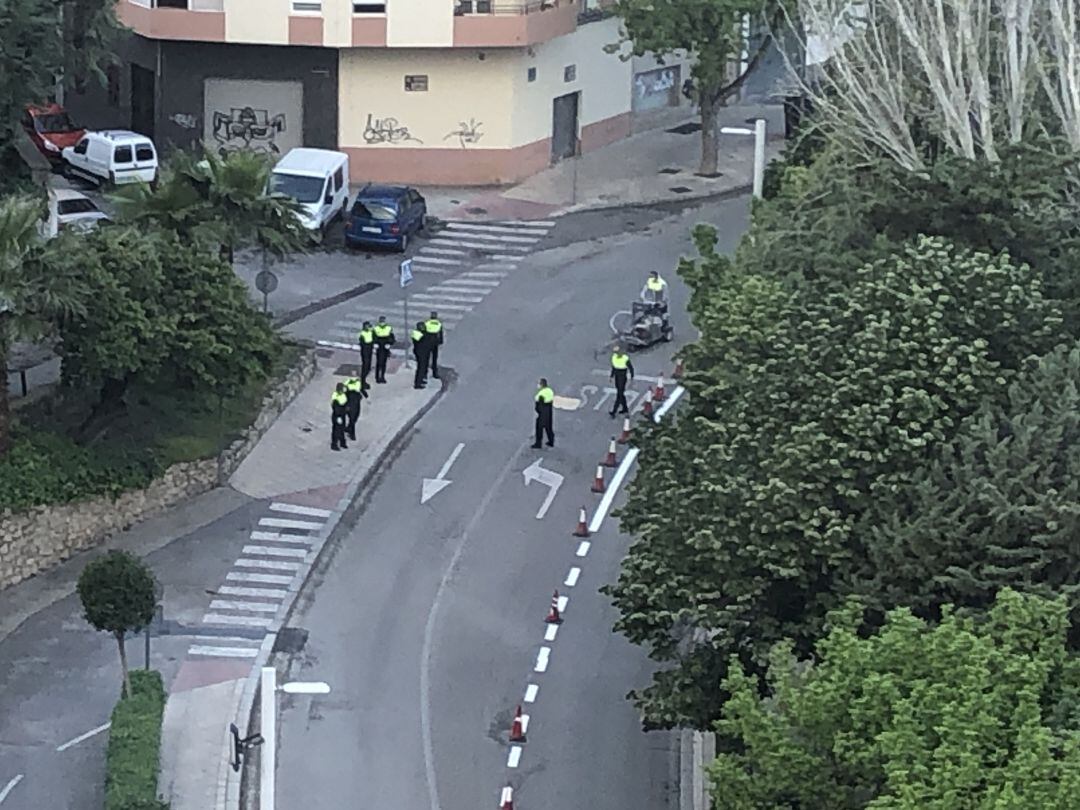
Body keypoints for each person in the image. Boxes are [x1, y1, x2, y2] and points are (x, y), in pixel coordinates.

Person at [609, 344, 635, 418]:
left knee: (619, 395)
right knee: (621, 394)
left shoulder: (625, 358)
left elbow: (631, 368)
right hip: (617, 377)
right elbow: (614, 367)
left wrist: (632, 377)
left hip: (622, 378)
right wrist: (611, 376)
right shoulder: (614, 357)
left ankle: (614, 411)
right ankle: (625, 409)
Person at [532, 377, 555, 449]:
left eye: (538, 383)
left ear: (541, 385)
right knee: (549, 427)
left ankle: (538, 444)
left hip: (542, 413)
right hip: (549, 411)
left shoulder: (541, 394)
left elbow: (539, 406)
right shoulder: (550, 391)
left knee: (539, 428)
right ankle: (551, 441)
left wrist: (538, 412)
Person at [373, 315, 395, 383]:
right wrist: (375, 343)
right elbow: (374, 337)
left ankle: (382, 376)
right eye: (381, 321)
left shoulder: (388, 328)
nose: (382, 322)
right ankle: (377, 377)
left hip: (385, 347)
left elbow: (392, 338)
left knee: (384, 363)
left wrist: (389, 343)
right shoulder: (376, 328)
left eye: (383, 321)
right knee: (379, 363)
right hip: (379, 347)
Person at [411, 321, 430, 389]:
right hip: (420, 352)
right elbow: (418, 340)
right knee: (420, 367)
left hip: (425, 351)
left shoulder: (424, 333)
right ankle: (417, 383)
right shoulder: (417, 333)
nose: (423, 328)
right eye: (422, 327)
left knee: (424, 367)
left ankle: (421, 380)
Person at [425, 311, 444, 379]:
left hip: (428, 343)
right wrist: (441, 341)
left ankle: (425, 373)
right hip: (435, 343)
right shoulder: (438, 324)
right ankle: (434, 373)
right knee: (434, 359)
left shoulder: (427, 323)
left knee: (426, 358)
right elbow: (440, 333)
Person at [330, 382, 349, 451]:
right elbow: (336, 408)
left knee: (341, 429)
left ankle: (342, 442)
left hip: (342, 415)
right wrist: (344, 410)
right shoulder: (336, 396)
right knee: (337, 430)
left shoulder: (342, 395)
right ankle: (334, 444)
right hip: (338, 416)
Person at [344, 376, 363, 441]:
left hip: (355, 404)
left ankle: (349, 429)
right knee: (352, 419)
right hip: (351, 405)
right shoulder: (349, 392)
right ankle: (352, 434)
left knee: (354, 418)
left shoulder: (355, 390)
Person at [357, 321, 375, 387]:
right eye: (366, 326)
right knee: (365, 366)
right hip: (365, 351)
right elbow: (362, 343)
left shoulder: (370, 331)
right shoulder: (363, 333)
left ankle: (363, 380)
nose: (368, 327)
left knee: (368, 367)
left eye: (368, 325)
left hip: (369, 350)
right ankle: (363, 381)